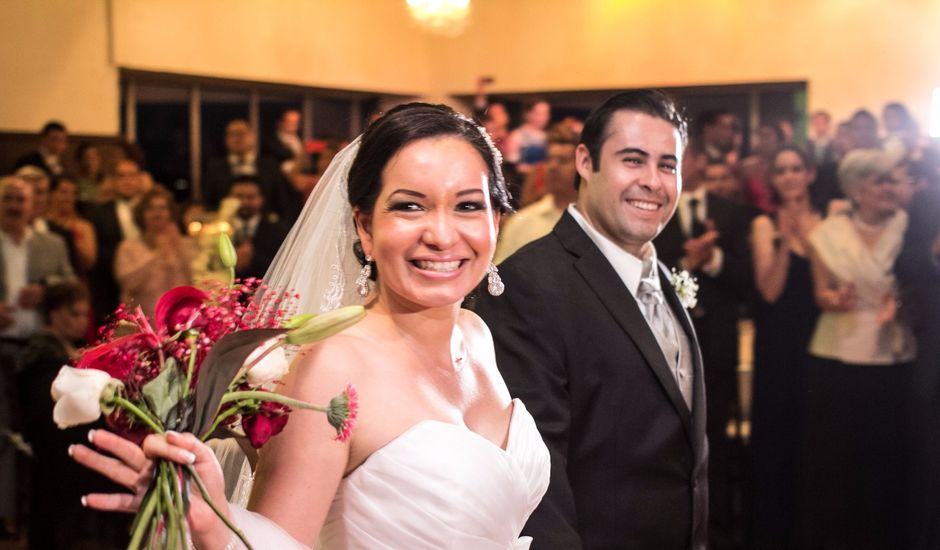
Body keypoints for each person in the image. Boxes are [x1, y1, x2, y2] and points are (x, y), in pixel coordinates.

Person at [72, 103, 550, 549]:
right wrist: (210, 520)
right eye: (409, 206)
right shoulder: (334, 365)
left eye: (468, 206)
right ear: (364, 226)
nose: (442, 235)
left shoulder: (474, 334)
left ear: (497, 221)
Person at [475, 90, 708, 549]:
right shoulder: (530, 286)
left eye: (667, 165)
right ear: (585, 161)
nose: (653, 182)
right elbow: (537, 479)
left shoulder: (660, 274)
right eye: (633, 160)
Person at [798, 148, 914, 549]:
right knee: (841, 460)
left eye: (892, 181)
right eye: (879, 181)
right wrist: (837, 298)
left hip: (895, 351)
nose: (889, 189)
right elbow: (821, 294)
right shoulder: (828, 233)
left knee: (889, 455)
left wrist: (900, 304)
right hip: (838, 355)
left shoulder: (909, 227)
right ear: (856, 188)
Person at [747, 146, 821, 549]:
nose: (790, 176)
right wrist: (786, 241)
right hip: (778, 344)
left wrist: (808, 238)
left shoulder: (832, 217)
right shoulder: (763, 224)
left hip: (823, 338)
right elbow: (770, 290)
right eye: (781, 170)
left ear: (810, 173)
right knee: (778, 439)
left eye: (796, 168)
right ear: (773, 179)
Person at [16, 282, 128, 549]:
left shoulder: (65, 349)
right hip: (55, 447)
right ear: (54, 314)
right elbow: (46, 412)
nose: (81, 322)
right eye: (74, 314)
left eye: (84, 315)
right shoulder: (41, 354)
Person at [495, 129, 578, 263]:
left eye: (563, 160)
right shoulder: (521, 223)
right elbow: (500, 278)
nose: (553, 167)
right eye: (549, 159)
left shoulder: (596, 222)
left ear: (583, 165)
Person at [114, 186, 194, 318]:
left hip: (181, 322)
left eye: (163, 208)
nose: (158, 214)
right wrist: (157, 254)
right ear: (141, 214)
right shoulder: (127, 247)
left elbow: (196, 281)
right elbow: (129, 284)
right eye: (151, 209)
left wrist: (179, 248)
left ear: (171, 213)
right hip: (143, 324)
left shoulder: (185, 244)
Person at [87, 159, 144, 326]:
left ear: (139, 179)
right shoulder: (98, 213)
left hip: (147, 288)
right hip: (111, 289)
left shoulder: (151, 211)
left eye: (132, 176)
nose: (127, 181)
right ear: (113, 181)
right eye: (121, 176)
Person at [228, 175, 291, 280]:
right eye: (239, 196)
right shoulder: (218, 227)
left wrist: (253, 258)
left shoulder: (278, 230)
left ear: (261, 199)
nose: (244, 202)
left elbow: (283, 265)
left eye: (250, 197)